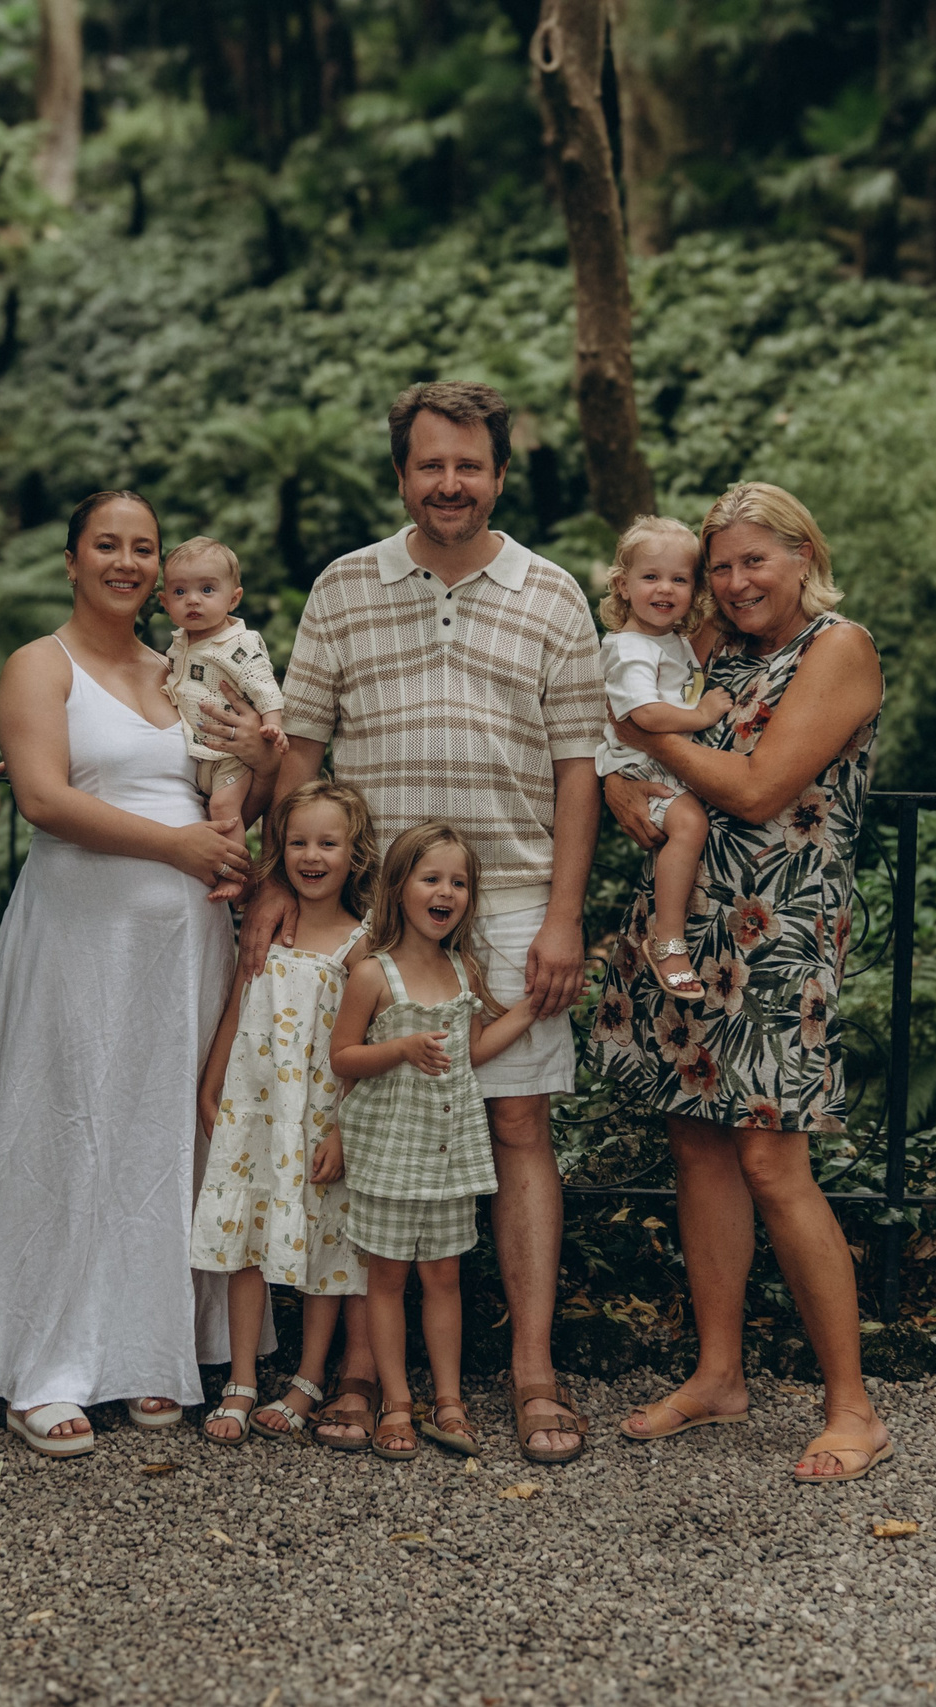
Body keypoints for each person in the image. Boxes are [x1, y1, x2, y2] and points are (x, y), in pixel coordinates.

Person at [248, 379, 604, 1465]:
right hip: (372, 914)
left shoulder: (552, 594)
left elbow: (578, 770)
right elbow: (302, 751)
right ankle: (361, 1369)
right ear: (401, 473)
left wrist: (563, 918)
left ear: (499, 474)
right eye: (429, 464)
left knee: (517, 1129)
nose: (450, 483)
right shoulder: (344, 587)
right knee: (365, 1136)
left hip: (507, 903)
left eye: (470, 465)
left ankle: (533, 1376)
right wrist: (279, 881)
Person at [0, 491, 282, 1458]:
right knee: (70, 1125)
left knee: (159, 1133)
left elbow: (241, 788)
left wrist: (254, 775)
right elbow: (44, 799)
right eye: (107, 544)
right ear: (72, 559)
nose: (128, 561)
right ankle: (48, 1360)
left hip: (182, 945)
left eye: (143, 547)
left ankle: (154, 1350)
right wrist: (178, 849)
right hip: (78, 934)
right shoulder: (39, 665)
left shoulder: (185, 666)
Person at [591, 481, 895, 1483]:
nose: (732, 581)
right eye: (720, 565)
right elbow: (638, 753)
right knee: (699, 1149)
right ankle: (718, 1373)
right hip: (688, 928)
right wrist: (621, 779)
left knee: (773, 1163)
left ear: (803, 554)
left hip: (779, 936)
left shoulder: (836, 650)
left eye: (752, 560)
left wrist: (651, 737)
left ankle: (852, 1406)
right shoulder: (715, 656)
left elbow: (762, 790)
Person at [326, 822, 542, 1460]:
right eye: (431, 879)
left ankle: (447, 1399)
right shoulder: (373, 974)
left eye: (459, 882)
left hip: (449, 1153)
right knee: (387, 1280)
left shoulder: (462, 968)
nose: (446, 891)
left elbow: (471, 1052)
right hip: (390, 1154)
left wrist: (529, 1010)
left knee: (443, 1277)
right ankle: (395, 1402)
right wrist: (400, 1048)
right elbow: (342, 1058)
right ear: (400, 888)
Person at [189, 779, 379, 1445]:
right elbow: (239, 1006)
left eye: (328, 842)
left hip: (319, 1117)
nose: (311, 854)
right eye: (297, 841)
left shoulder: (360, 944)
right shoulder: (268, 929)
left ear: (354, 855)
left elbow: (365, 1045)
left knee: (324, 1243)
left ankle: (306, 1377)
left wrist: (343, 1127)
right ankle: (241, 1378)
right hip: (258, 1108)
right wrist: (211, 1084)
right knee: (247, 1236)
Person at [593, 515, 735, 1001]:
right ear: (622, 586)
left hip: (661, 760)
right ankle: (667, 940)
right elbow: (645, 715)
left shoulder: (667, 639)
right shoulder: (632, 648)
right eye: (650, 577)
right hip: (641, 765)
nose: (665, 589)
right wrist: (703, 714)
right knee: (690, 825)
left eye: (679, 579)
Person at [160, 537, 287, 845]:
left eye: (207, 590)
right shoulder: (179, 643)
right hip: (202, 754)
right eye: (180, 591)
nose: (192, 600)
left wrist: (273, 725)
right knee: (202, 809)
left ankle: (234, 869)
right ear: (165, 604)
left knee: (222, 806)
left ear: (233, 598)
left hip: (231, 755)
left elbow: (265, 686)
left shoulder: (237, 644)